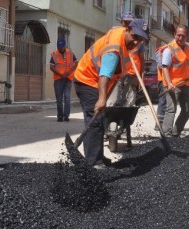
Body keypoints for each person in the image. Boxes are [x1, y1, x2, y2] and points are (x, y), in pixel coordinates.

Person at [73, 19, 149, 167]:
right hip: (87, 80)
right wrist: (102, 99)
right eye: (135, 37)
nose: (136, 42)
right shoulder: (114, 49)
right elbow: (105, 74)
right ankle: (93, 162)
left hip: (95, 80)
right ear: (127, 29)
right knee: (94, 120)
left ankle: (98, 157)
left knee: (101, 120)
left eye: (140, 39)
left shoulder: (126, 40)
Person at [161, 24, 189, 137]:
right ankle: (166, 134)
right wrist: (170, 83)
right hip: (173, 85)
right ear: (174, 34)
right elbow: (165, 67)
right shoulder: (169, 49)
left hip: (185, 84)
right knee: (171, 109)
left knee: (187, 110)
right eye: (178, 35)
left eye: (183, 36)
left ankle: (176, 132)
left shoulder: (188, 47)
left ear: (187, 37)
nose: (180, 38)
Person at [107, 12, 145, 107]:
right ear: (121, 22)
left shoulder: (139, 40)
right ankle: (114, 111)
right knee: (116, 93)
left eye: (130, 23)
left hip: (132, 73)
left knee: (130, 99)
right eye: (126, 22)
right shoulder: (115, 35)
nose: (127, 25)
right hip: (119, 71)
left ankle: (126, 113)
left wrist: (141, 77)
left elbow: (142, 59)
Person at [50, 38, 78, 122]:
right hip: (58, 79)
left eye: (62, 47)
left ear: (64, 46)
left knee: (67, 97)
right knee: (59, 99)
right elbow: (51, 67)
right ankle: (60, 116)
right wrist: (60, 74)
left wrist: (70, 71)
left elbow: (76, 63)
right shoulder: (54, 54)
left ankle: (66, 116)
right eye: (59, 46)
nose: (60, 48)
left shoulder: (70, 53)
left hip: (68, 79)